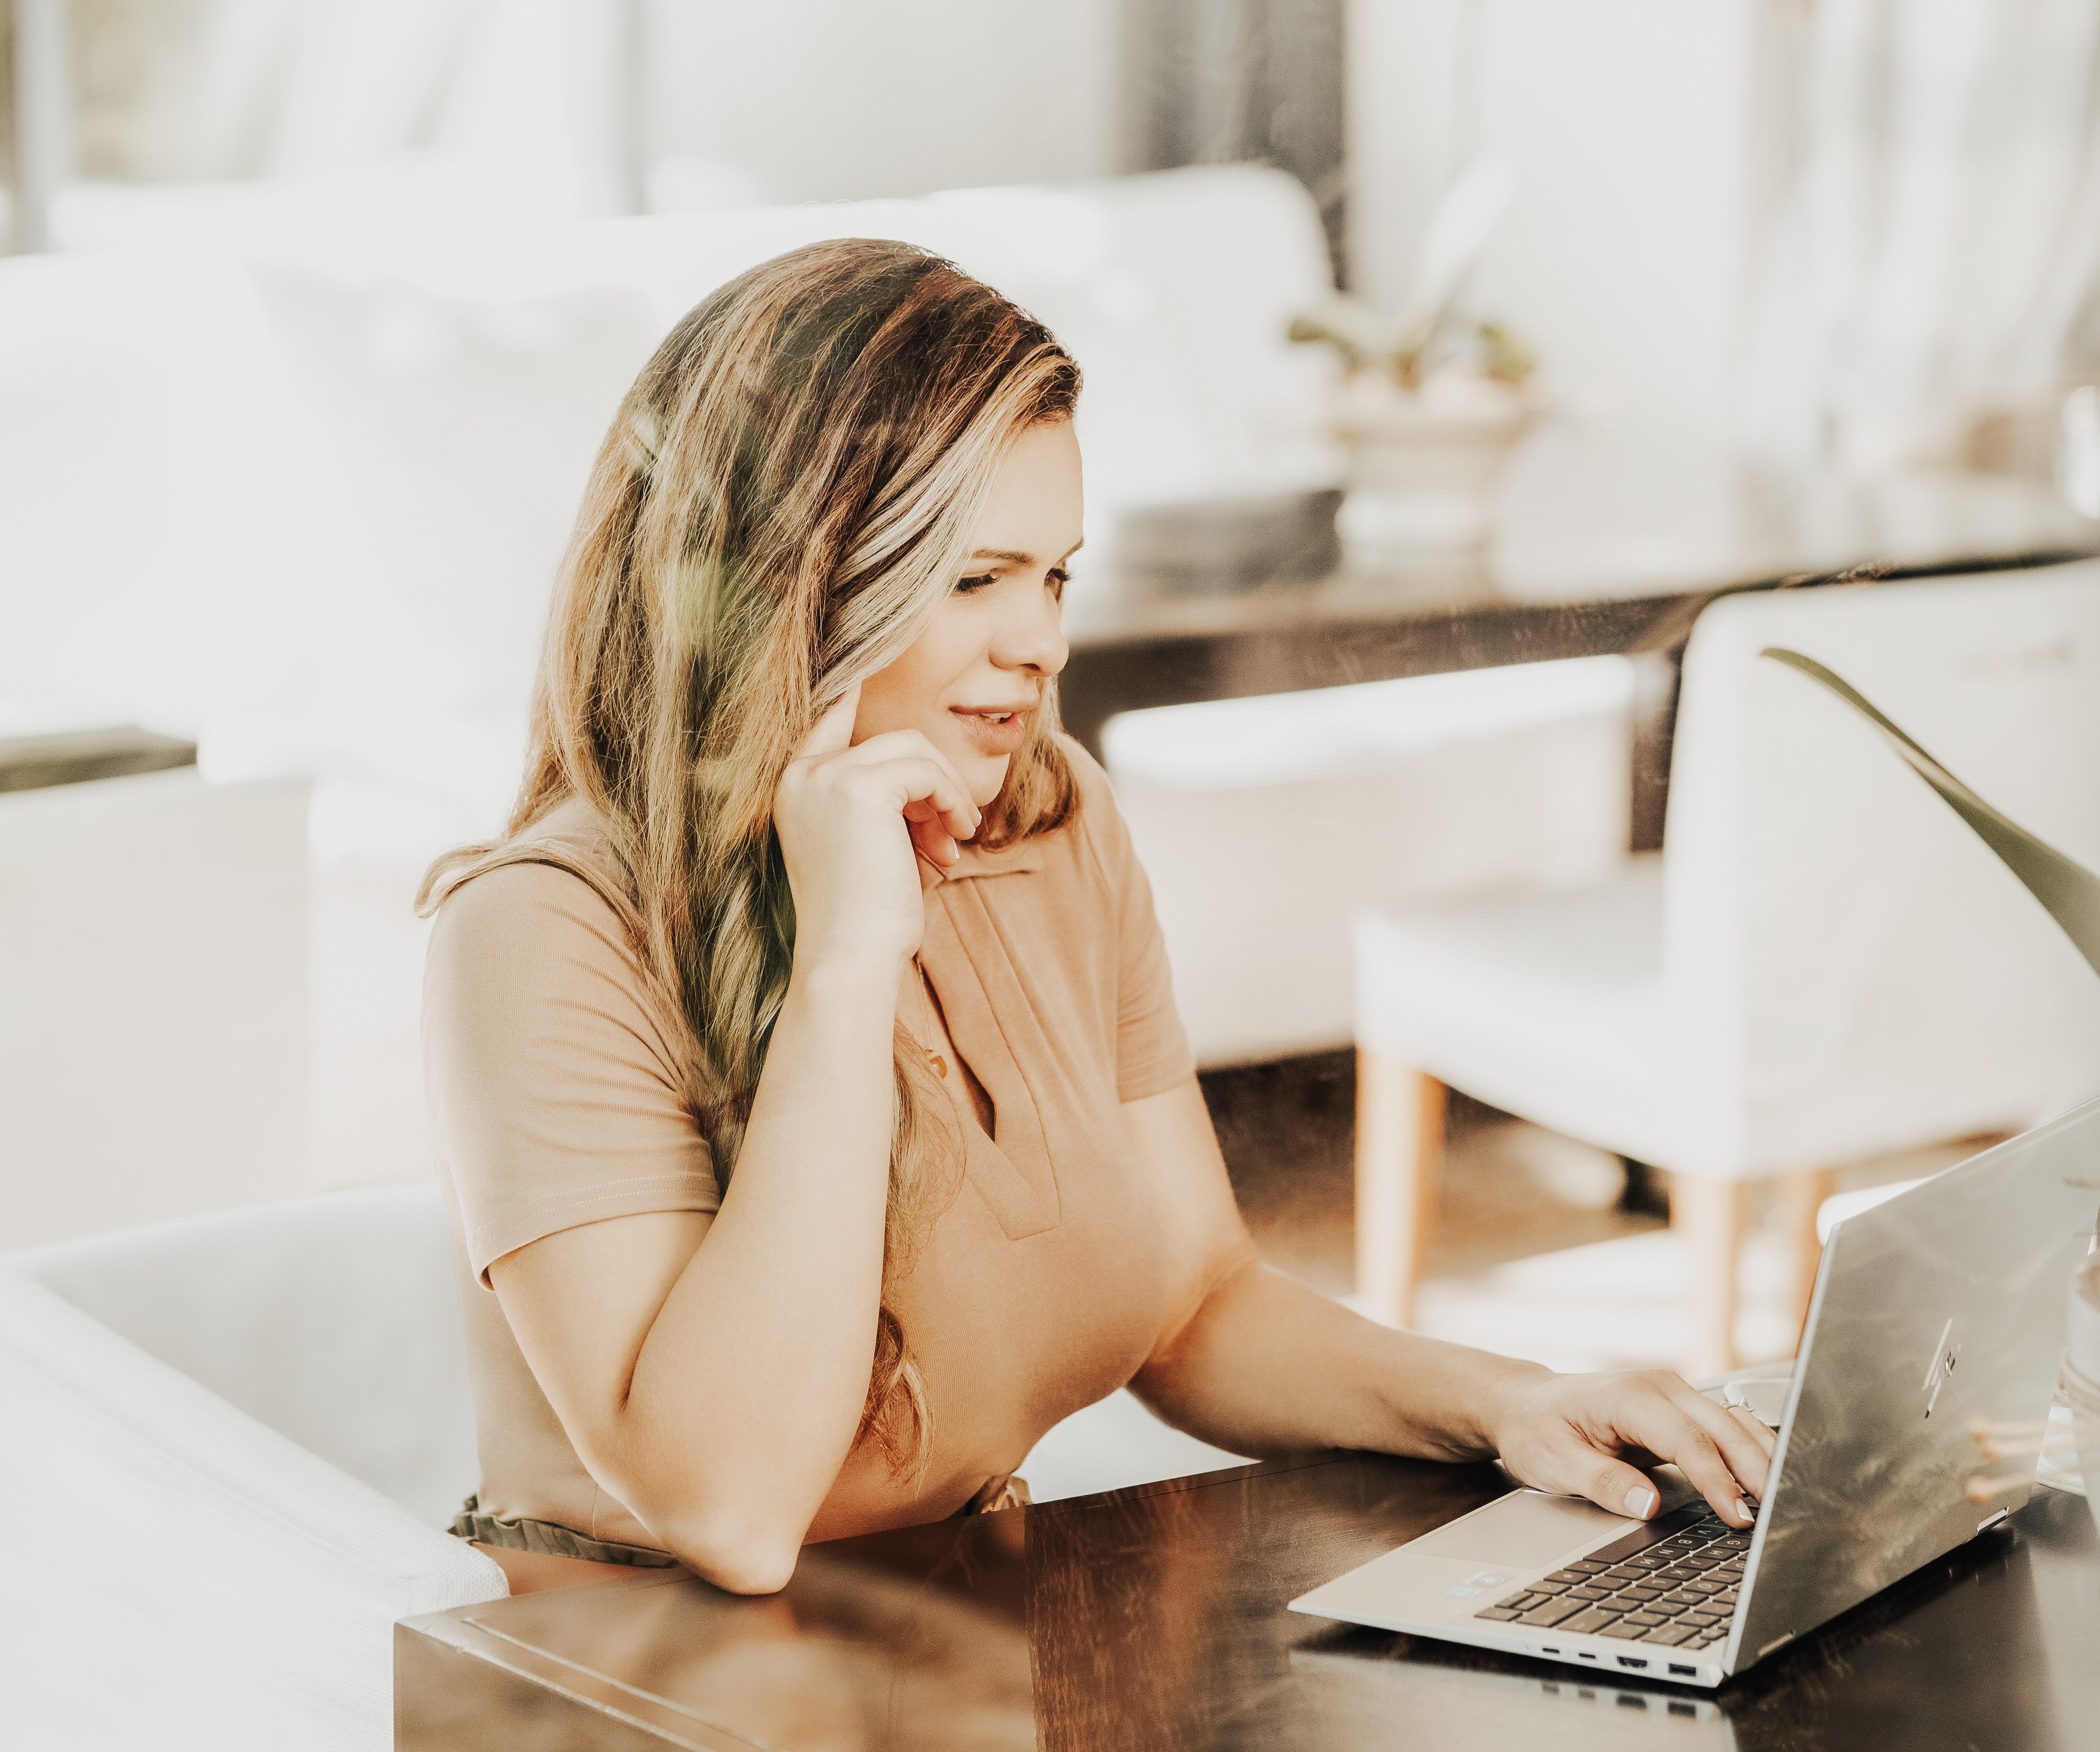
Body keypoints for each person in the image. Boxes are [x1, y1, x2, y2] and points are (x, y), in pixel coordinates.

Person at [421, 238, 1775, 1597]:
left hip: (957, 1641)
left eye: (1057, 576)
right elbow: (732, 1510)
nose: (1043, 644)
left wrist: (1511, 1400)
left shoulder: (1047, 819)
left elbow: (1196, 1301)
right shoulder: (539, 932)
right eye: (975, 578)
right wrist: (844, 963)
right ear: (779, 585)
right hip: (628, 1685)